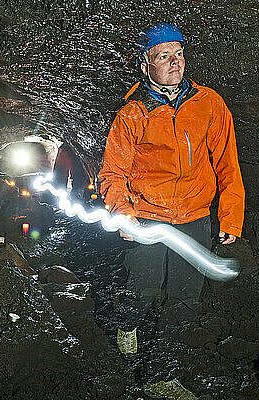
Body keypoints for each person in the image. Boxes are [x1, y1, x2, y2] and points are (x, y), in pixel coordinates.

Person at [98, 23, 245, 333]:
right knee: (139, 291)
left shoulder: (209, 103)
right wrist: (123, 215)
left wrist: (230, 218)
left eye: (179, 54)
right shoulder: (131, 113)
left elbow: (227, 164)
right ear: (145, 65)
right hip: (147, 217)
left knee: (185, 300)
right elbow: (113, 173)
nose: (175, 61)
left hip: (194, 218)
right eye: (164, 56)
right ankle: (125, 335)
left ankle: (164, 375)